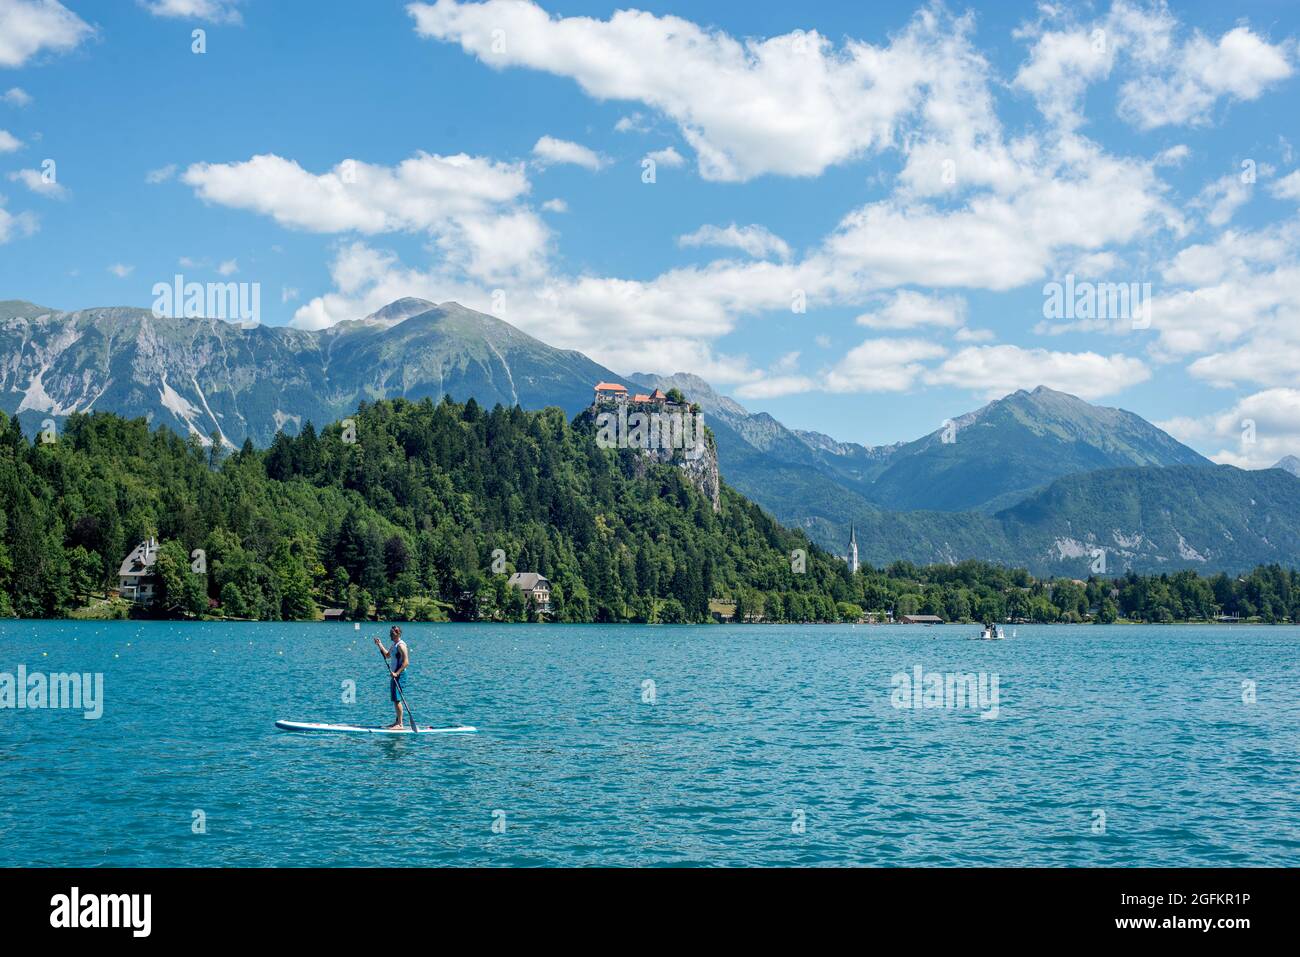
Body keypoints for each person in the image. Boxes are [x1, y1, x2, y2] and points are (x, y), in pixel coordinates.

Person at [374, 626, 410, 729]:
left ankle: (400, 724)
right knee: (395, 699)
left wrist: (397, 673)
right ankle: (397, 722)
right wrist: (379, 644)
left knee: (397, 699)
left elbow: (406, 662)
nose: (391, 635)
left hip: (400, 675)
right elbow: (387, 655)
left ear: (398, 634)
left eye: (393, 633)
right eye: (390, 633)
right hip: (394, 675)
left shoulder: (401, 645)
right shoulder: (394, 644)